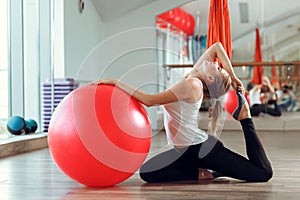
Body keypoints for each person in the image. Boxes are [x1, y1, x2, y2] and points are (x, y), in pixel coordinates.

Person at [93, 42, 273, 183]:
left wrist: (116, 82)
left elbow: (149, 100)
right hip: (185, 151)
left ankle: (245, 119)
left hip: (202, 150)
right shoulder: (193, 77)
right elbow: (217, 47)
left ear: (210, 78)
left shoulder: (192, 85)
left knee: (262, 173)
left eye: (217, 68)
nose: (214, 63)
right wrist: (233, 77)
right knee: (148, 173)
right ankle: (204, 172)